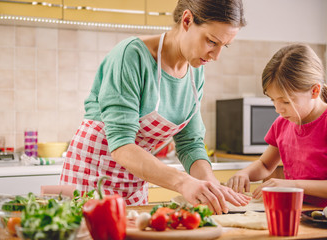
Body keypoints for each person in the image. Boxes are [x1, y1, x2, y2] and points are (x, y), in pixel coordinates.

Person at [60, 0, 250, 214]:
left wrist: (211, 185)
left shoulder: (195, 72)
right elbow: (122, 145)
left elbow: (190, 144)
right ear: (187, 20)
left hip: (135, 182)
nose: (215, 56)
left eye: (223, 46)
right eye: (211, 41)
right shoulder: (131, 56)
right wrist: (183, 182)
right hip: (92, 176)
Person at [227, 44, 327, 207]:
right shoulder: (282, 124)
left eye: (286, 101)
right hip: (298, 212)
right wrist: (245, 173)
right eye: (273, 100)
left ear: (315, 91)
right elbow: (265, 165)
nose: (278, 109)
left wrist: (293, 185)